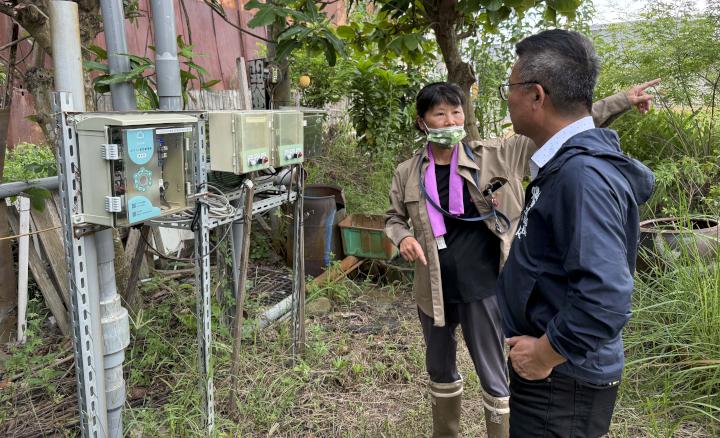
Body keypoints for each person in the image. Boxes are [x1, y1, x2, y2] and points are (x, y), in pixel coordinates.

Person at [384, 76, 655, 437]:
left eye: (456, 112)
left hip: (483, 287)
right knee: (439, 368)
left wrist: (621, 100)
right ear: (422, 122)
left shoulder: (496, 155)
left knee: (493, 372)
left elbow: (566, 126)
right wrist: (403, 237)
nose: (450, 122)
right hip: (432, 289)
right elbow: (393, 218)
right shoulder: (407, 172)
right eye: (440, 114)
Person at [496, 29, 656, 437]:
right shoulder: (565, 165)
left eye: (508, 88)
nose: (507, 99)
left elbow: (605, 296)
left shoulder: (580, 176)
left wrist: (546, 353)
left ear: (537, 95)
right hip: (557, 378)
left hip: (562, 383)